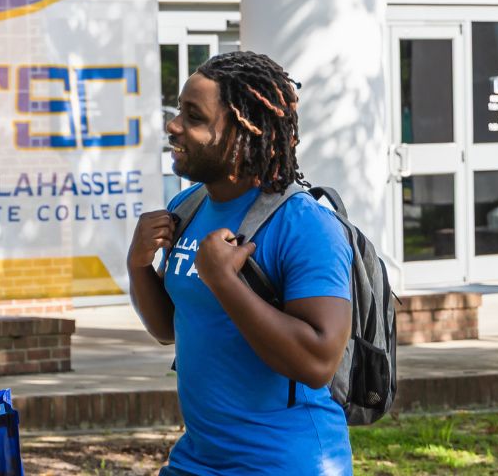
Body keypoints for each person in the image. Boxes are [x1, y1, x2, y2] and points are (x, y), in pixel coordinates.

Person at [126, 51, 356, 475]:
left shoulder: (305, 225)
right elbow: (166, 328)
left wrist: (225, 281)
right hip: (197, 460)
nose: (173, 126)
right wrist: (138, 264)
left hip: (286, 463)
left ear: (242, 135)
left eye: (194, 117)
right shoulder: (188, 208)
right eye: (179, 111)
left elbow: (317, 363)